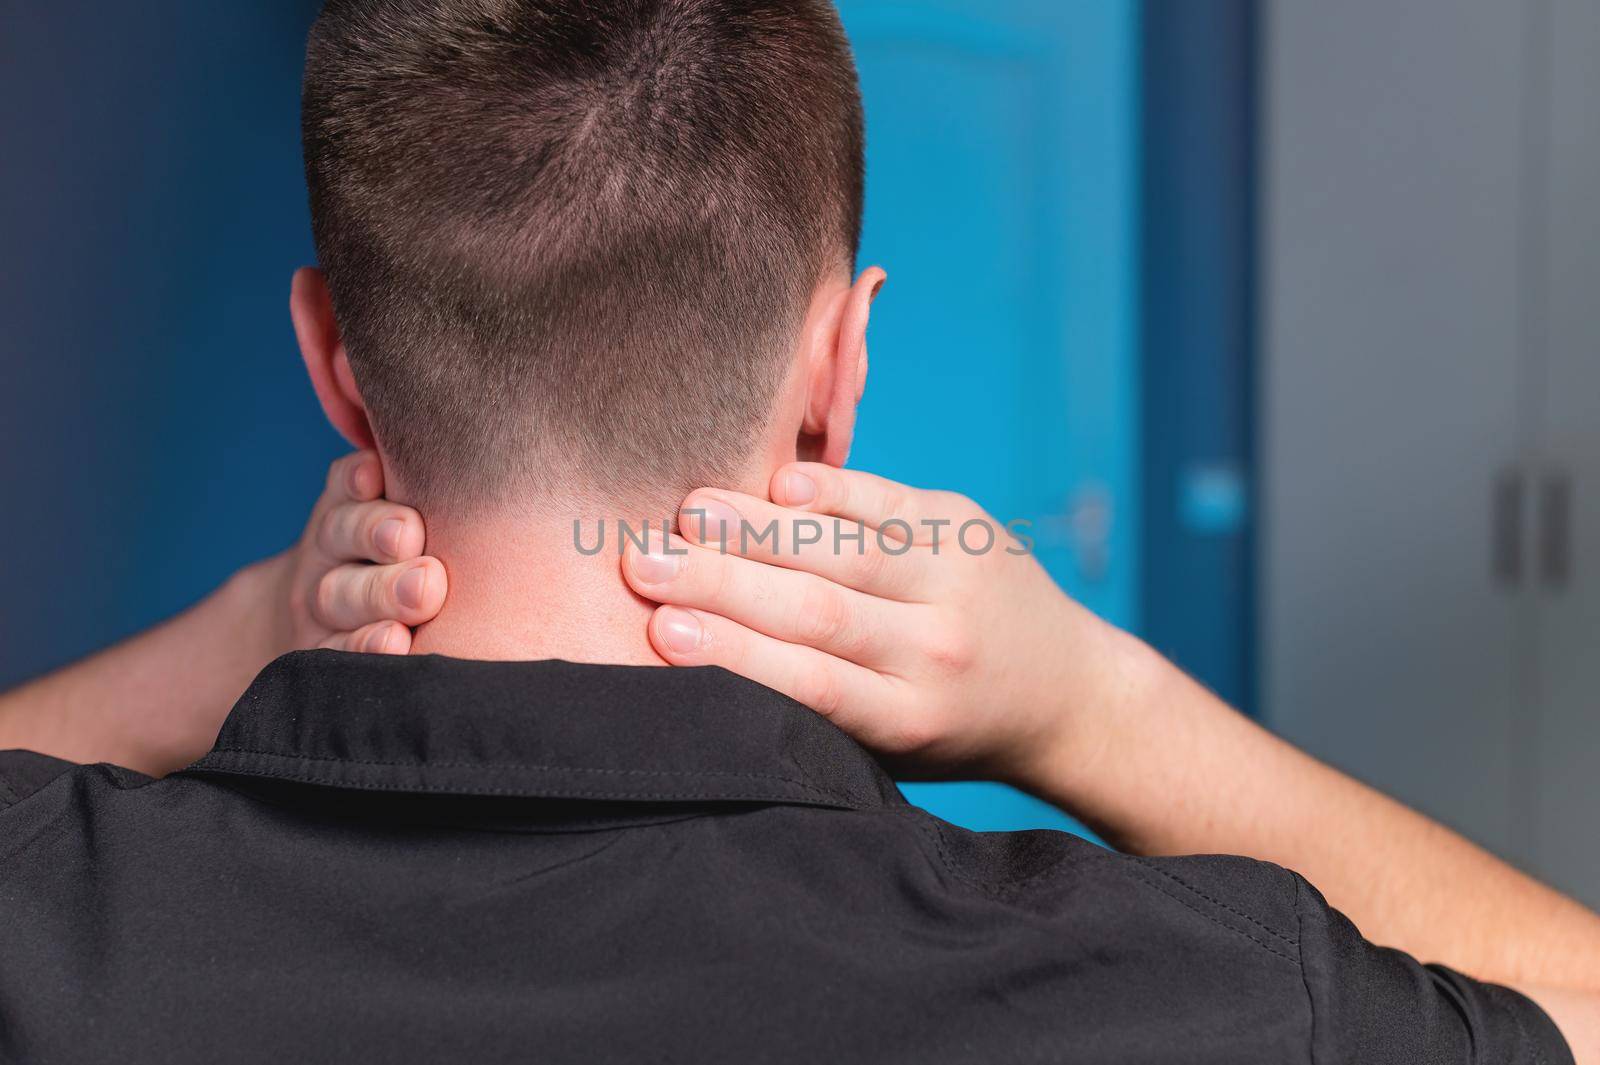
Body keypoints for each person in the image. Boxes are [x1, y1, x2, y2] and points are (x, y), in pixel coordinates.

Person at [0, 1, 1594, 1062]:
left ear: (334, 363)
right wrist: (1095, 705)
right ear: (843, 371)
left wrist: (248, 625)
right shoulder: (1197, 997)